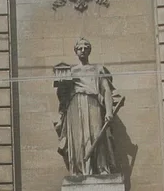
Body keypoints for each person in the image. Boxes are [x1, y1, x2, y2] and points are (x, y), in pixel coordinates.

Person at [53, 38, 125, 177]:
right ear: (76, 51)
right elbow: (62, 96)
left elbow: (106, 90)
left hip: (93, 103)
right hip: (74, 106)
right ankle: (79, 170)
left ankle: (101, 168)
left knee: (96, 134)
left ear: (89, 51)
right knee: (78, 138)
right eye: (80, 48)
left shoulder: (98, 69)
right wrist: (61, 86)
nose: (83, 50)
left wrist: (108, 111)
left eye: (86, 48)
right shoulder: (70, 71)